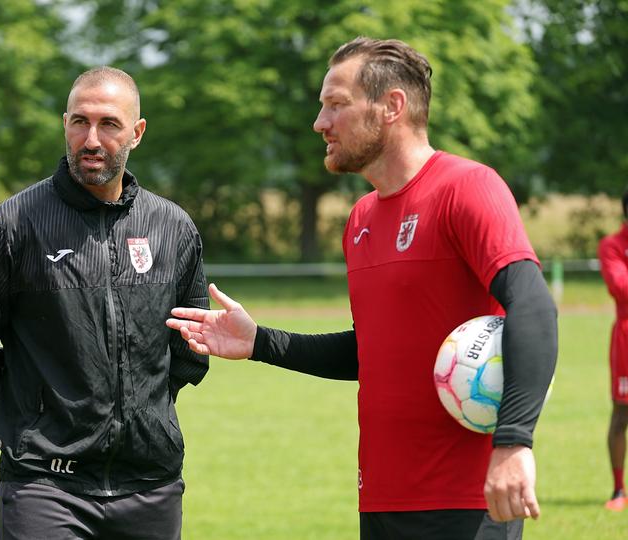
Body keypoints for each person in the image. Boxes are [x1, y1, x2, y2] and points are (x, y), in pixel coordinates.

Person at [166, 37, 557, 540]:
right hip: (380, 500)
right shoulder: (360, 219)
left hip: (468, 504)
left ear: (391, 106)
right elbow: (371, 351)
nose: (319, 122)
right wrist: (260, 341)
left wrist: (514, 443)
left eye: (336, 104)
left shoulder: (468, 188)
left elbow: (534, 307)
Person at [0, 66, 209, 540]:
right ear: (64, 123)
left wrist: (140, 412)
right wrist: (28, 413)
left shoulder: (173, 228)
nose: (91, 139)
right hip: (45, 488)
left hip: (151, 487)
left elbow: (189, 350)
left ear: (137, 133)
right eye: (79, 122)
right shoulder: (11, 227)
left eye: (109, 124)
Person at [598, 190, 628, 511]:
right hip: (626, 336)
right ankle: (619, 490)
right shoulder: (612, 246)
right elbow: (621, 288)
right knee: (622, 414)